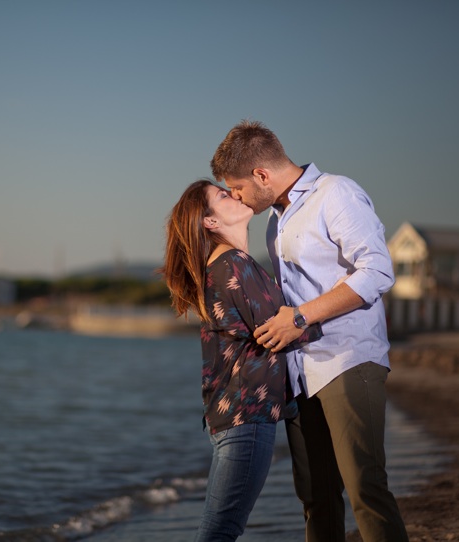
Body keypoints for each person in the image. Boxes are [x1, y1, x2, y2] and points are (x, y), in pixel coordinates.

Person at [210, 120, 409, 542]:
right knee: (316, 498)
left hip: (347, 360)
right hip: (300, 374)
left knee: (365, 489)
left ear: (261, 175)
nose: (236, 197)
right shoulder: (275, 221)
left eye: (238, 188)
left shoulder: (336, 193)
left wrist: (299, 317)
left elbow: (376, 270)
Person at [161, 179, 320, 541]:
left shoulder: (228, 264)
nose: (233, 194)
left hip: (233, 418)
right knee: (221, 530)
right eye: (222, 195)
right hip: (246, 419)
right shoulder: (233, 265)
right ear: (210, 222)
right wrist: (343, 307)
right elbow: (278, 332)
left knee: (220, 528)